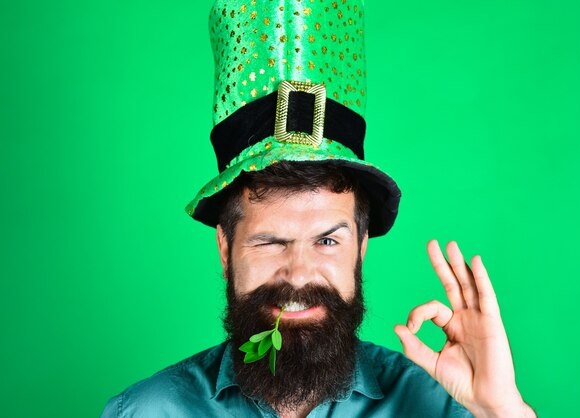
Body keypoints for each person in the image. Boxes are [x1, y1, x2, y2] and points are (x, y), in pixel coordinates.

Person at [102, 1, 537, 417]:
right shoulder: (141, 413)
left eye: (327, 240)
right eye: (270, 241)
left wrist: (501, 411)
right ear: (225, 248)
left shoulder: (444, 406)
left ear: (361, 247)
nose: (298, 274)